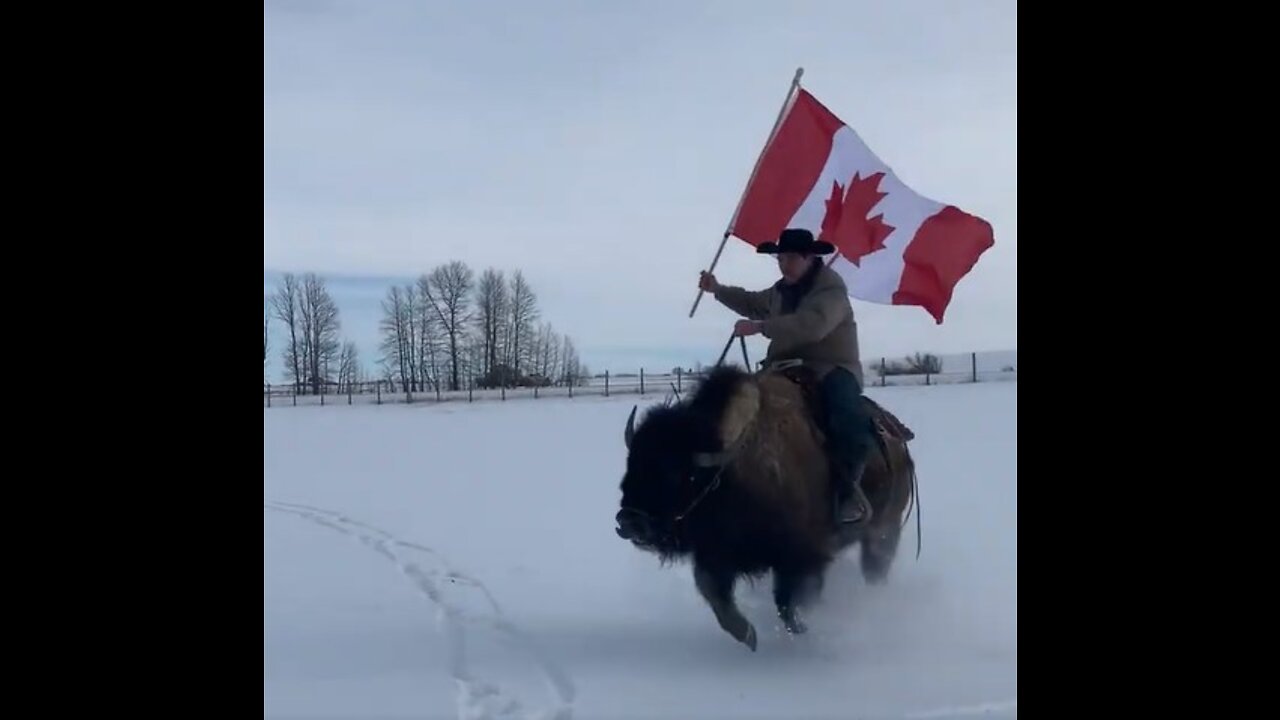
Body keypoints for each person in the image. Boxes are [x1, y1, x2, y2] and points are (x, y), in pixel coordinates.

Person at [698, 228, 873, 526]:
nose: (784, 264)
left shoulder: (831, 290)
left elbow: (813, 325)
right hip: (781, 367)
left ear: (809, 257)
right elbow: (753, 302)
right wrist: (717, 290)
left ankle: (845, 494)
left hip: (829, 367)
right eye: (780, 258)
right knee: (735, 409)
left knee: (850, 424)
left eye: (791, 258)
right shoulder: (780, 290)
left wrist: (760, 327)